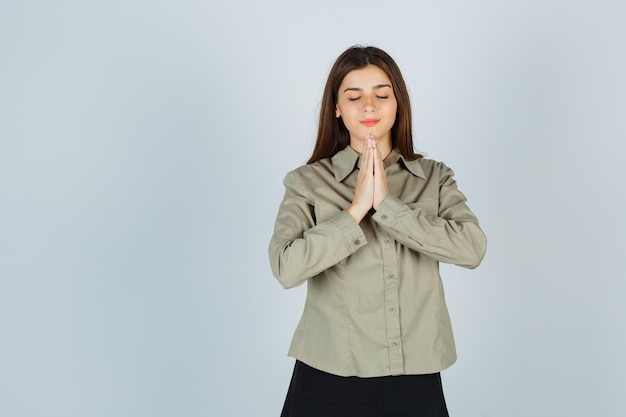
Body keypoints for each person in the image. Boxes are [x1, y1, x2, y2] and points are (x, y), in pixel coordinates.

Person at [268, 45, 487, 417]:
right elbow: (285, 267)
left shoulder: (434, 178)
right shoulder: (307, 182)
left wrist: (388, 207)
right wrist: (355, 211)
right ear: (336, 108)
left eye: (382, 95)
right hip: (327, 373)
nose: (369, 105)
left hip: (413, 376)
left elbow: (472, 249)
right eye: (354, 96)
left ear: (398, 103)